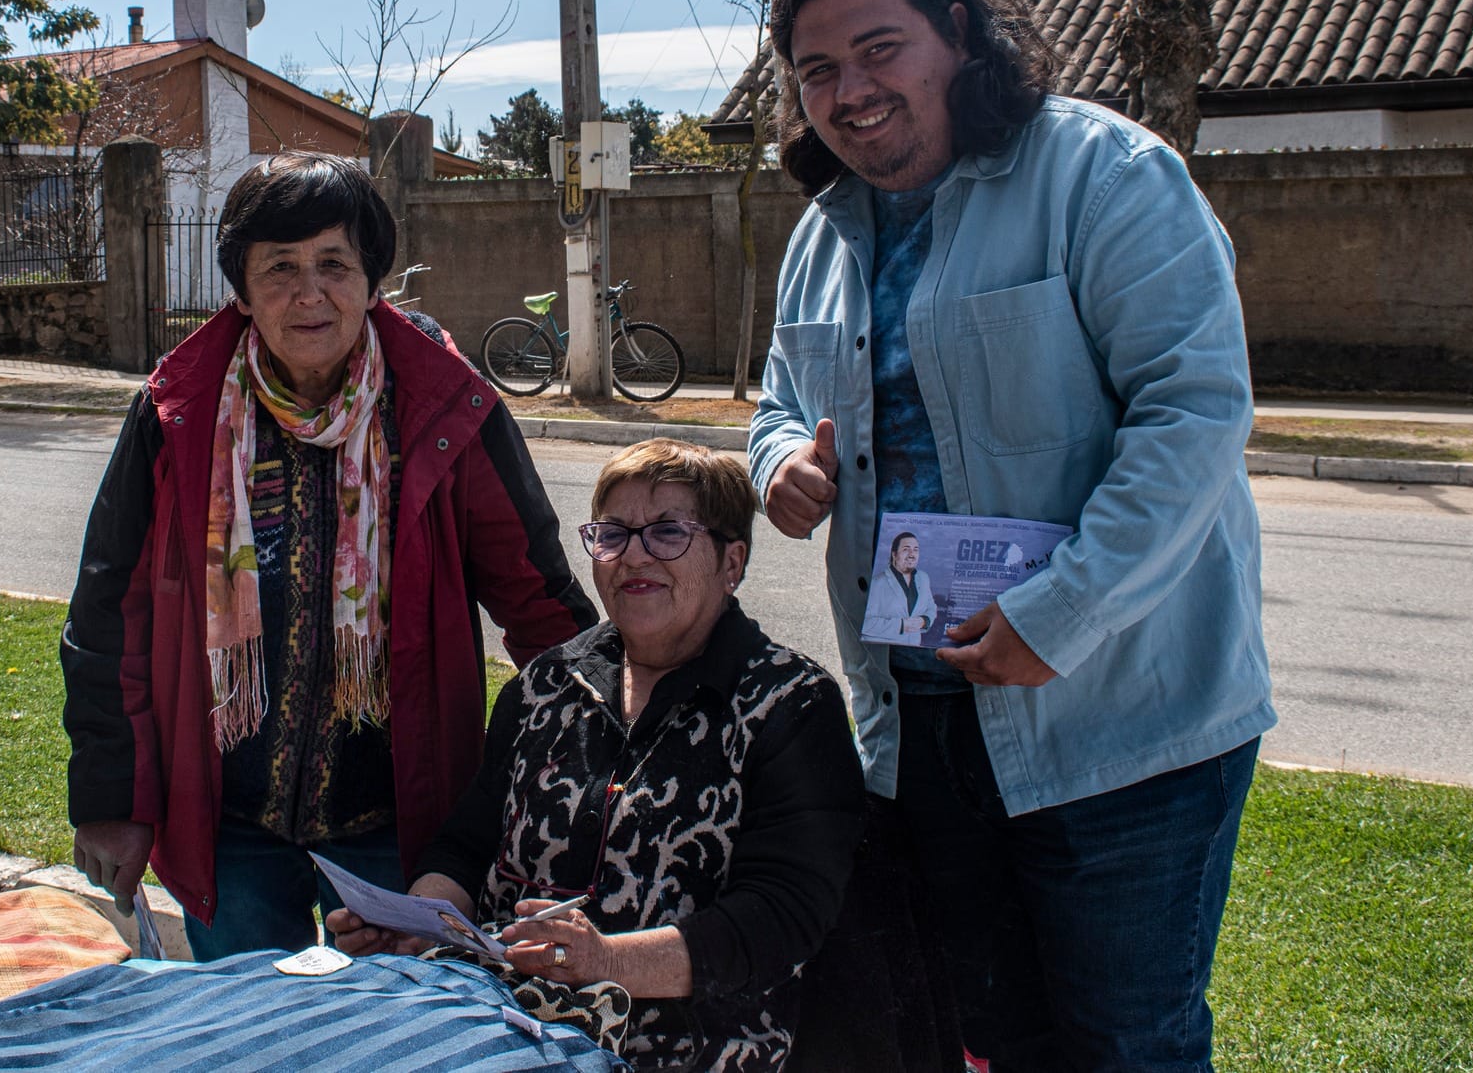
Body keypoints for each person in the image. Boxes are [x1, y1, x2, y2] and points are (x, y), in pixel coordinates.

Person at [750, 0, 1274, 1071]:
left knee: (1120, 1042)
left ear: (954, 32)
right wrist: (777, 462)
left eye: (878, 48)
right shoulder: (821, 233)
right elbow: (778, 399)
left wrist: (1060, 612)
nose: (850, 90)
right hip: (922, 718)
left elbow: (1190, 418)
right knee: (974, 1034)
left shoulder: (1106, 175)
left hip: (1121, 715)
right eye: (817, 69)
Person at [61, 154, 596, 959]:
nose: (309, 294)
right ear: (239, 292)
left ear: (374, 282)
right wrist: (112, 796)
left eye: (334, 264)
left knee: (383, 1042)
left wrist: (601, 748)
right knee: (253, 1042)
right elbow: (110, 613)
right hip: (229, 824)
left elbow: (538, 601)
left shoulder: (442, 403)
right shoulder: (178, 411)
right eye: (279, 268)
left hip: (399, 826)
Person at [330, 439, 863, 1072]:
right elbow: (467, 846)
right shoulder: (547, 682)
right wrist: (423, 921)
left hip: (683, 1050)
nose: (634, 554)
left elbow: (780, 920)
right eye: (613, 534)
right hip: (497, 1025)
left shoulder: (791, 706)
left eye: (668, 532)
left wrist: (606, 962)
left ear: (732, 561)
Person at [866, 531, 936, 638]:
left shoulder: (924, 578)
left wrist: (925, 620)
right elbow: (866, 623)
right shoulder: (877, 583)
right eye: (906, 549)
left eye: (915, 550)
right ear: (894, 554)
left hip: (915, 647)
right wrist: (902, 625)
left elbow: (931, 607)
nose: (912, 554)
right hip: (886, 649)